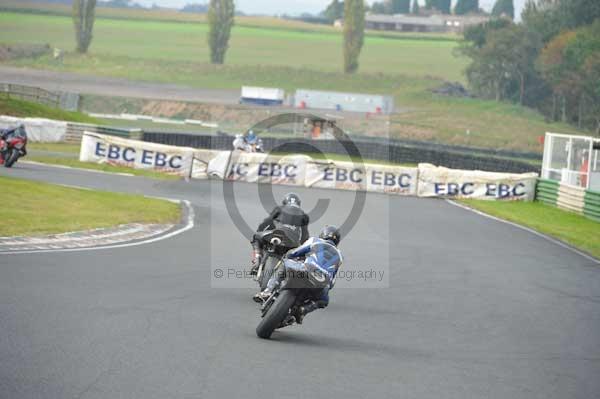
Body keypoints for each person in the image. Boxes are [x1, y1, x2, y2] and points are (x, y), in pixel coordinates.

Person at [254, 225, 342, 325]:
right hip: (321, 282)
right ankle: (304, 310)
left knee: (284, 263)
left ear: (323, 235)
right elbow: (332, 282)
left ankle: (267, 291)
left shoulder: (315, 240)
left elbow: (296, 252)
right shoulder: (339, 255)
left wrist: (289, 255)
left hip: (305, 270)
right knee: (323, 301)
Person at [250, 192, 310, 275]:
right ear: (299, 204)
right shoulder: (304, 215)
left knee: (256, 237)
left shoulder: (279, 208)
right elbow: (305, 236)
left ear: (285, 202)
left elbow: (267, 222)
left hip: (277, 235)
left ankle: (258, 257)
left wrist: (260, 231)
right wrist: (302, 247)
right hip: (293, 241)